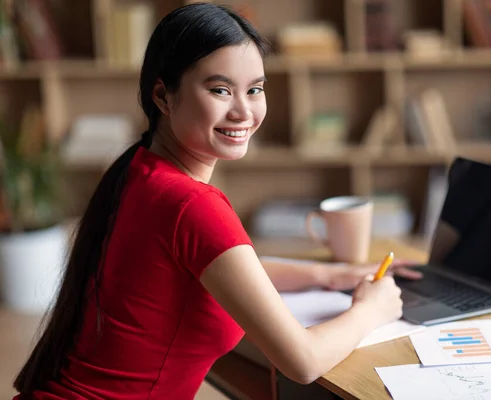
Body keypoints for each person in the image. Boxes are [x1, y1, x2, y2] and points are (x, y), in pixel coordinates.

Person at [12, 3, 420, 399]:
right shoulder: (193, 206)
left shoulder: (141, 170)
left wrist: (329, 276)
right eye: (221, 89)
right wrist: (373, 308)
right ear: (163, 96)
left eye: (255, 89)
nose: (244, 111)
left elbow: (220, 267)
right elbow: (304, 361)